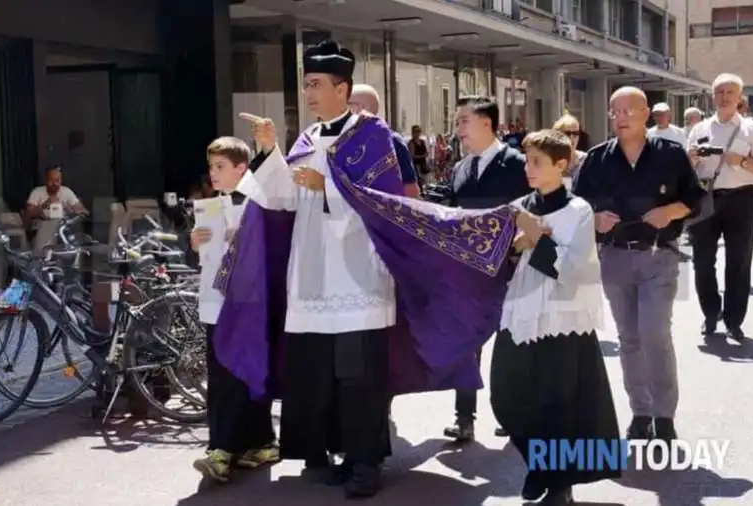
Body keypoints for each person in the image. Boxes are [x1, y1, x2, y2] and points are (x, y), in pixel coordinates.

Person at [221, 39, 520, 499]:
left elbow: (385, 204)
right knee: (321, 374)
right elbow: (280, 199)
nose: (309, 93)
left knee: (359, 378)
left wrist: (328, 186)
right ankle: (335, 452)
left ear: (342, 88)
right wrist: (269, 152)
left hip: (357, 275)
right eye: (305, 85)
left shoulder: (372, 134)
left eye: (316, 84)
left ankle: (366, 462)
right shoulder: (305, 138)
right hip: (311, 275)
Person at [493, 129, 619, 506]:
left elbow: (576, 269)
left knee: (559, 403)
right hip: (522, 313)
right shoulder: (518, 205)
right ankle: (539, 465)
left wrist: (538, 239)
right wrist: (517, 246)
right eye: (527, 161)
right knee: (508, 394)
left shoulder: (579, 210)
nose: (528, 169)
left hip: (563, 320)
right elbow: (501, 259)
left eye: (537, 162)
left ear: (561, 165)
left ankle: (559, 483)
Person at [574, 86, 705, 442]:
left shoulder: (671, 154)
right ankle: (640, 412)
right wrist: (595, 218)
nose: (620, 117)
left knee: (654, 334)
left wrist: (670, 211)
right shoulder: (597, 159)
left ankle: (664, 416)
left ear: (646, 113)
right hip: (614, 257)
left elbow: (696, 200)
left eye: (628, 110)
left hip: (659, 255)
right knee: (629, 339)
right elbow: (576, 207)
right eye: (614, 111)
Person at [189, 137, 279, 482]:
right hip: (216, 303)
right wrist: (195, 242)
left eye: (220, 167)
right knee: (225, 374)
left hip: (246, 304)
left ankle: (222, 450)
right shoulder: (213, 205)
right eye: (211, 167)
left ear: (241, 168)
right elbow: (204, 260)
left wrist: (243, 239)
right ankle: (257, 442)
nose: (213, 174)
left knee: (239, 373)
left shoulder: (259, 204)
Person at [443, 95, 531, 442]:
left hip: (511, 270)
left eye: (464, 121)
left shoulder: (519, 165)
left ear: (486, 123)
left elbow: (533, 215)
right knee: (468, 345)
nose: (458, 129)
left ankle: (513, 413)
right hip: (469, 272)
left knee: (511, 346)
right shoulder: (460, 169)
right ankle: (464, 417)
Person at [687, 73, 753, 341]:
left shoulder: (751, 129)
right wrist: (690, 160)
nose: (724, 97)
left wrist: (742, 161)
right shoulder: (699, 129)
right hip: (706, 197)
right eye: (720, 92)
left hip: (741, 199)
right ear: (713, 97)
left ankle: (734, 319)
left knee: (738, 261)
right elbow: (686, 170)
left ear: (739, 97)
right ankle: (711, 313)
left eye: (730, 93)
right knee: (702, 261)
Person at [348, 84, 421, 197]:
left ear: (358, 108)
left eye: (346, 105)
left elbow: (411, 192)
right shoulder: (344, 144)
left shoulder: (393, 142)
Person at [552, 114, 586, 186]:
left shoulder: (586, 160)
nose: (572, 137)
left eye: (575, 133)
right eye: (567, 133)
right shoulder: (550, 160)